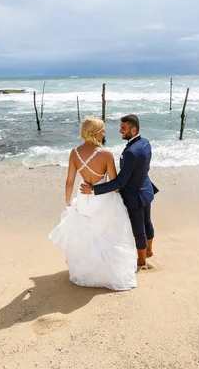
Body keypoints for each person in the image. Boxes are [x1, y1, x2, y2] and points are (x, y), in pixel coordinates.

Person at [48, 117, 137, 291]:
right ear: (96, 132)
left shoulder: (74, 153)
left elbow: (69, 181)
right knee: (109, 235)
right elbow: (115, 184)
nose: (104, 133)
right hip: (103, 200)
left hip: (83, 200)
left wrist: (68, 203)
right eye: (102, 130)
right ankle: (109, 275)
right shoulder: (106, 155)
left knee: (87, 236)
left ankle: (87, 274)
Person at [80, 114, 158, 268]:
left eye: (124, 128)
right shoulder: (145, 143)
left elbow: (120, 181)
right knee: (147, 222)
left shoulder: (130, 152)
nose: (120, 131)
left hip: (134, 195)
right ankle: (149, 250)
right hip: (146, 188)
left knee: (138, 228)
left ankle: (141, 261)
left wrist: (94, 190)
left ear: (133, 130)